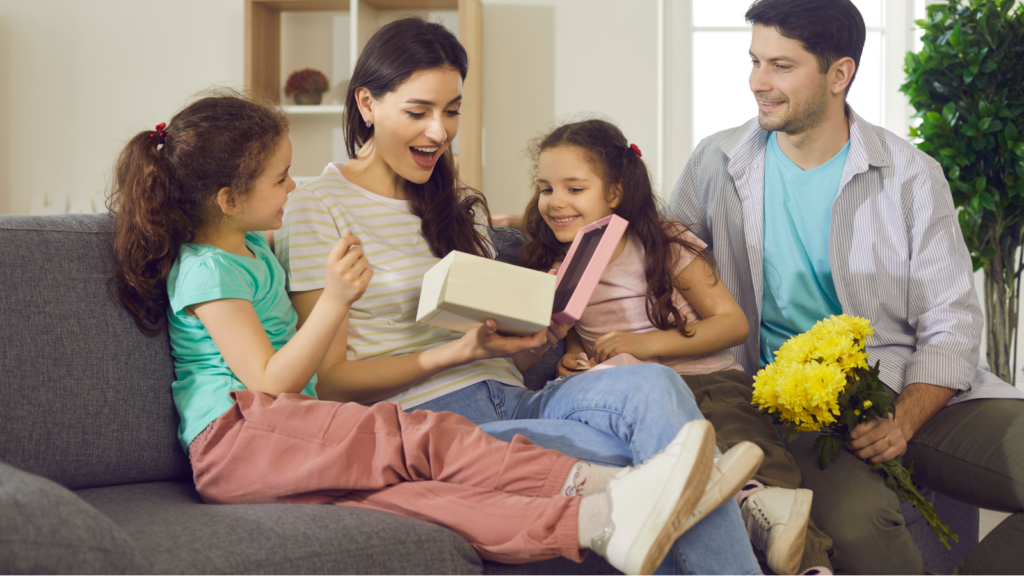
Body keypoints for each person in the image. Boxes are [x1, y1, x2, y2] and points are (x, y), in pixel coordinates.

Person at [103, 91, 739, 576]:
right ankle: (610, 488)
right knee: (417, 437)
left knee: (423, 501)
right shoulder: (207, 269)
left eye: (453, 108)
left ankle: (593, 522)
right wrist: (336, 301)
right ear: (225, 199)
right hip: (241, 436)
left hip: (266, 446)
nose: (292, 188)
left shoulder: (247, 250)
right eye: (280, 178)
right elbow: (269, 381)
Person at [276, 17, 764, 576]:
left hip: (521, 397)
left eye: (452, 110)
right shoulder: (317, 205)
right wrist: (454, 353)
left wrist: (540, 336)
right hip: (436, 427)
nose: (439, 132)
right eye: (418, 112)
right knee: (652, 463)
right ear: (367, 103)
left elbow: (514, 354)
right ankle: (741, 525)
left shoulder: (456, 207)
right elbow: (332, 381)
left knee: (652, 385)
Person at [667, 1, 1024, 574]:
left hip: (906, 384)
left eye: (781, 66)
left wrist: (904, 420)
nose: (759, 82)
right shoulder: (717, 160)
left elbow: (952, 321)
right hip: (790, 408)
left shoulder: (911, 174)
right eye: (755, 61)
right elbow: (661, 255)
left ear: (840, 74)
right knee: (860, 529)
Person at [518, 117, 829, 576]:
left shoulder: (665, 244)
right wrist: (571, 359)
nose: (555, 202)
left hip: (711, 386)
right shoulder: (555, 264)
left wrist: (645, 345)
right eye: (545, 188)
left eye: (574, 188)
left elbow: (733, 323)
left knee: (768, 477)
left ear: (616, 191)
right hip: (641, 404)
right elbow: (571, 345)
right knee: (694, 485)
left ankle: (811, 567)